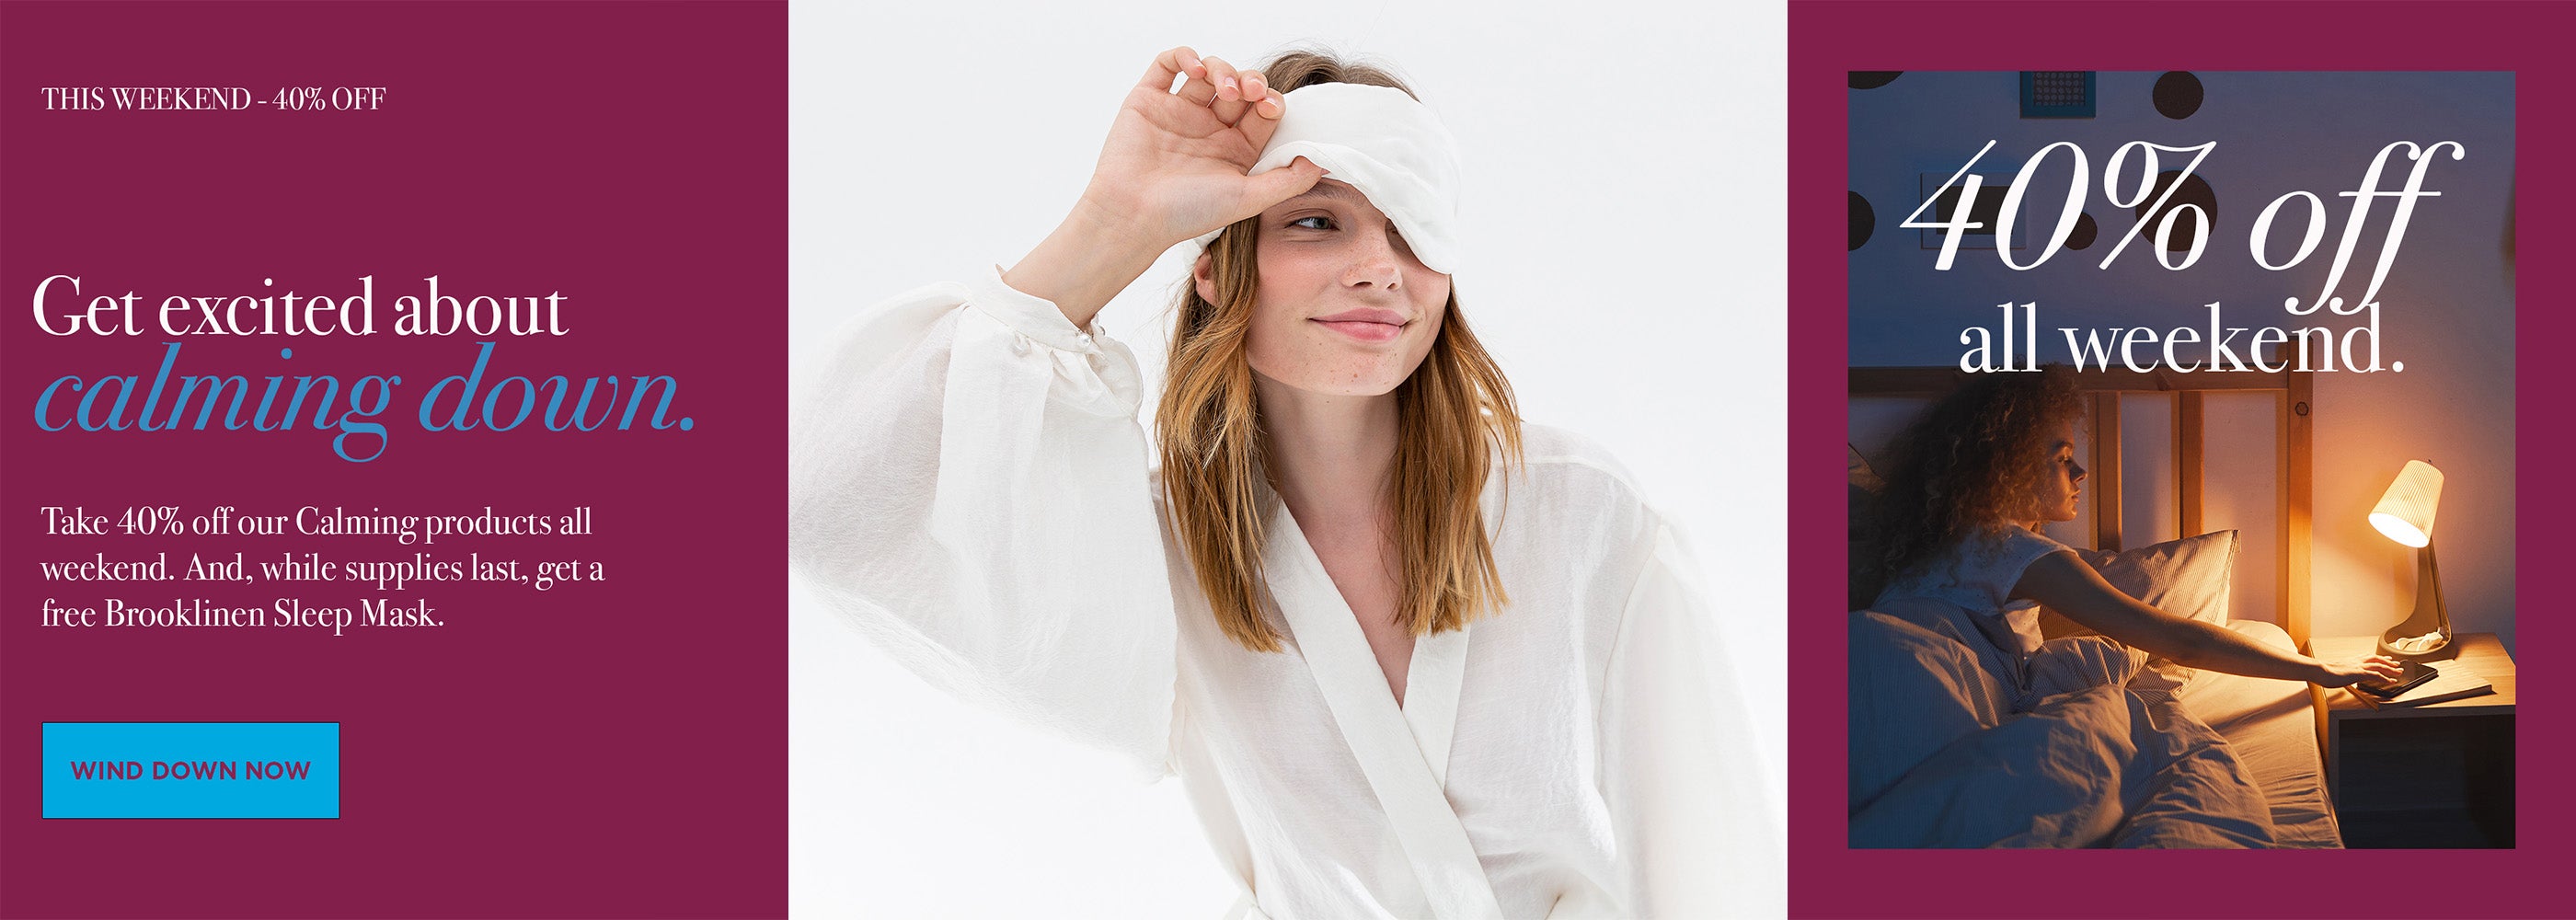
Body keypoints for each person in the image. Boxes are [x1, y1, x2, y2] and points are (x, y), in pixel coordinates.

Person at [789, 46, 1778, 918]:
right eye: (1314, 222)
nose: (1379, 269)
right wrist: (1112, 222)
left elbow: (1713, 869)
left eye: (1412, 230)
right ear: (1216, 269)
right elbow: (830, 502)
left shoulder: (1582, 515)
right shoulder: (1152, 554)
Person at [1862, 366, 2402, 692]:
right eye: (2063, 458)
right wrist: (2316, 670)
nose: (2080, 472)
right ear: (2010, 467)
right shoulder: (2019, 554)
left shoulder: (1942, 540)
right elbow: (2181, 641)